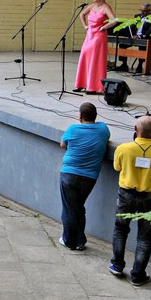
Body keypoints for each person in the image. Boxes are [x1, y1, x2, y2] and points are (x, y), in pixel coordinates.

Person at [108, 116, 151, 286]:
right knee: (145, 238)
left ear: (135, 128)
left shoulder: (123, 148)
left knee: (120, 230)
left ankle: (117, 265)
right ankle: (138, 275)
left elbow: (117, 168)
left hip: (126, 194)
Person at [58, 102, 110, 251]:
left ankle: (69, 241)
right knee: (79, 207)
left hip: (69, 174)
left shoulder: (73, 129)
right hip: (89, 177)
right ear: (95, 116)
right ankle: (80, 241)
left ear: (80, 116)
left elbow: (63, 144)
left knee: (69, 209)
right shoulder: (103, 129)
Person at [74, 0, 118, 94]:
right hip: (89, 35)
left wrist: (104, 27)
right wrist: (85, 26)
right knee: (84, 56)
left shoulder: (106, 7)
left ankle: (93, 86)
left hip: (99, 36)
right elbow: (82, 14)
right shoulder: (92, 6)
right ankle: (81, 84)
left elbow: (114, 21)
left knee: (94, 59)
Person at [115, 2, 151, 74]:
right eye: (141, 10)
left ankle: (140, 65)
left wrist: (140, 36)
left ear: (149, 11)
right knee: (122, 44)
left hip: (145, 38)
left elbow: (150, 31)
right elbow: (133, 27)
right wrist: (131, 33)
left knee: (143, 47)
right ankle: (124, 64)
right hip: (134, 37)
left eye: (144, 11)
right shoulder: (137, 16)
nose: (142, 12)